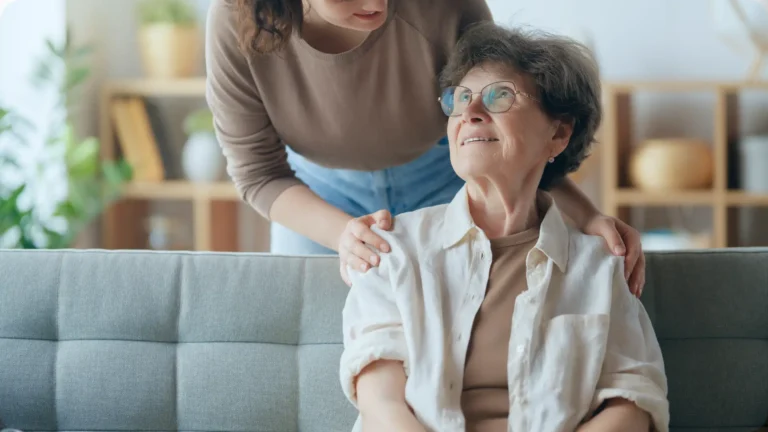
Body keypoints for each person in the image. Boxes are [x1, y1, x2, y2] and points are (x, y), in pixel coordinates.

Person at [339, 22, 669, 432]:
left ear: (559, 133)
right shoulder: (392, 248)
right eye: (460, 99)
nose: (470, 113)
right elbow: (380, 399)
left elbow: (634, 397)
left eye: (499, 96)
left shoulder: (599, 264)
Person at [205, 0, 646, 296]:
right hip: (315, 198)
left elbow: (511, 129)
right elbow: (258, 173)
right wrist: (343, 236)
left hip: (451, 179)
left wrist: (587, 215)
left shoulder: (447, 6)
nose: (377, 3)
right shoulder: (235, 22)